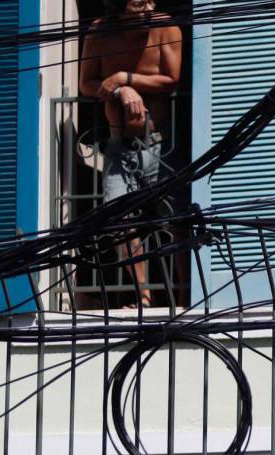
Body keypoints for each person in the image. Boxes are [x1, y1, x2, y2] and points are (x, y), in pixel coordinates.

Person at [79, 0, 181, 307]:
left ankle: (184, 295)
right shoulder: (100, 31)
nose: (148, 7)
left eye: (151, 0)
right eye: (139, 3)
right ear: (120, 6)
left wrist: (127, 79)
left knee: (174, 218)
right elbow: (86, 83)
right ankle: (144, 296)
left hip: (160, 144)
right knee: (120, 220)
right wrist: (119, 91)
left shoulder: (165, 26)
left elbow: (172, 79)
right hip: (117, 145)